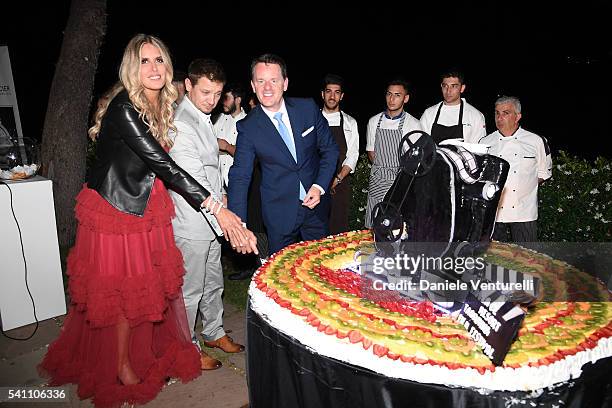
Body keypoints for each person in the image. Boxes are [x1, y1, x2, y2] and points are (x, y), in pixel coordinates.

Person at [38, 34, 256, 407]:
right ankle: (120, 365)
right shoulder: (126, 107)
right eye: (144, 61)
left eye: (159, 60)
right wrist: (218, 208)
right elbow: (165, 165)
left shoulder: (163, 101)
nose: (153, 68)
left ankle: (144, 350)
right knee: (124, 293)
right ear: (131, 68)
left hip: (146, 201)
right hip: (116, 208)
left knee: (149, 290)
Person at [169, 59, 246, 371]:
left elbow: (210, 170)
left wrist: (223, 193)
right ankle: (186, 348)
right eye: (205, 92)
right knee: (190, 290)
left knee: (213, 281)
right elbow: (193, 179)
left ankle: (213, 332)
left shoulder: (203, 117)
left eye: (217, 94)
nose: (212, 100)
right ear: (188, 86)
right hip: (191, 221)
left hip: (211, 219)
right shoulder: (181, 122)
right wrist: (227, 220)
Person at [228, 53, 339, 256]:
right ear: (253, 86)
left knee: (320, 265)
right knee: (281, 273)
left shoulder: (307, 109)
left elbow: (330, 150)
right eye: (261, 81)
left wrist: (320, 186)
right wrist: (238, 225)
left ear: (285, 83)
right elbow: (240, 176)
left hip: (316, 206)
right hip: (278, 212)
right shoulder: (248, 127)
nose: (267, 88)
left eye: (274, 80)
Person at [479, 96, 552, 242]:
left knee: (527, 259)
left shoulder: (536, 141)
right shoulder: (485, 143)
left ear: (517, 116)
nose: (499, 118)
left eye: (505, 113)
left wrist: (523, 188)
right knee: (497, 260)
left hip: (524, 212)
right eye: (497, 113)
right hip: (494, 212)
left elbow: (544, 173)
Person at [364, 78, 421, 228]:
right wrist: (382, 170)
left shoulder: (414, 124)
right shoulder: (373, 121)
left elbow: (415, 159)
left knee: (397, 226)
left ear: (405, 98)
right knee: (374, 225)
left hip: (400, 182)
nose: (392, 99)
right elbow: (371, 153)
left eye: (397, 95)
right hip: (378, 180)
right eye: (389, 94)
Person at [320, 73, 359, 234]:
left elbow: (353, 155)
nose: (332, 96)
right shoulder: (312, 120)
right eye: (328, 91)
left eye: (337, 92)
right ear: (322, 94)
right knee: (315, 231)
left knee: (337, 230)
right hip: (314, 184)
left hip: (339, 185)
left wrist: (337, 179)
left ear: (341, 96)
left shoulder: (350, 122)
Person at [420, 69, 486, 144]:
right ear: (441, 86)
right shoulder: (429, 113)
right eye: (445, 86)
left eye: (454, 86)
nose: (448, 91)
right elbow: (422, 144)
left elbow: (478, 149)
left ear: (462, 88)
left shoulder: (475, 115)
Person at [213, 83, 247, 188]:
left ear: (238, 100)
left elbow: (245, 154)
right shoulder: (220, 118)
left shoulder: (248, 123)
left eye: (227, 98)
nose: (223, 102)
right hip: (217, 180)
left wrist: (227, 147)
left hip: (235, 181)